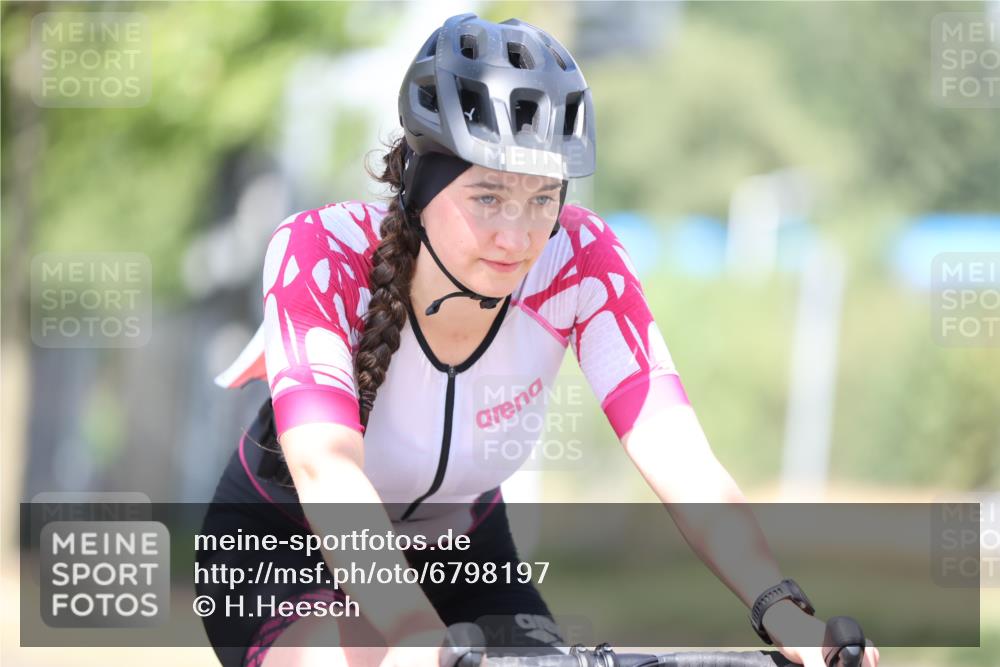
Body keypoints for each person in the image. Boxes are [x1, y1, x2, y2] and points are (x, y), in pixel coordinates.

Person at [197, 12, 880, 667]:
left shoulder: (580, 258)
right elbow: (327, 466)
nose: (517, 235)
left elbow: (679, 454)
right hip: (282, 547)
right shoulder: (321, 250)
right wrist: (410, 630)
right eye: (488, 197)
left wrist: (783, 611)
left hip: (462, 554)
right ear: (415, 181)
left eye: (541, 197)